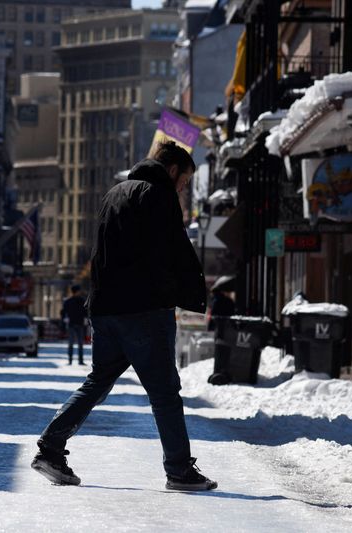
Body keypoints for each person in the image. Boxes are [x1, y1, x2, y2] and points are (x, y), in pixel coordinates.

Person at [31, 141, 217, 491]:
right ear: (173, 170)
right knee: (164, 393)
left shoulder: (115, 193)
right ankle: (179, 470)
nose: (184, 188)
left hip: (105, 308)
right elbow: (167, 254)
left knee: (97, 382)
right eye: (185, 181)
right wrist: (175, 295)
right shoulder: (159, 195)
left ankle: (50, 448)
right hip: (143, 310)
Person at [62, 285, 87, 365]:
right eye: (79, 291)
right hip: (75, 324)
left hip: (75, 324)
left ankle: (75, 360)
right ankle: (75, 360)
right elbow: (63, 312)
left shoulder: (70, 301)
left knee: (76, 343)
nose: (80, 292)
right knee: (75, 343)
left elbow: (63, 312)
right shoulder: (81, 301)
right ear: (76, 291)